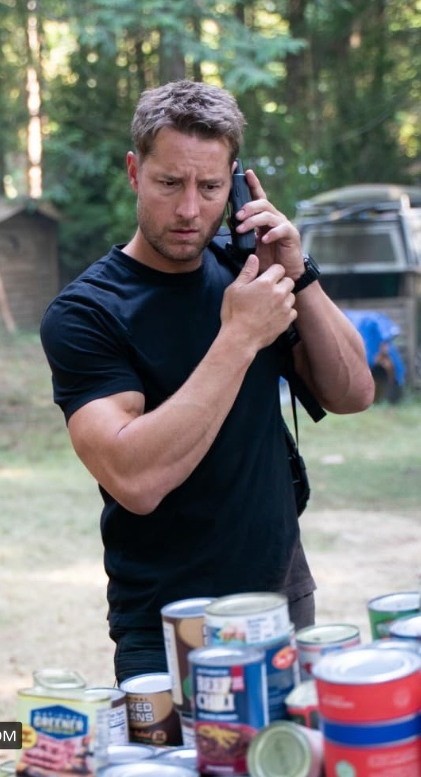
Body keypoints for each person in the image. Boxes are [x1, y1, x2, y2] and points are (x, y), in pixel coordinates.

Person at [40, 80, 374, 683]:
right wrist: (240, 336)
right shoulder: (87, 312)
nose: (190, 209)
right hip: (168, 623)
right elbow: (135, 479)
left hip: (282, 599)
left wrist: (298, 273)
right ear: (135, 171)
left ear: (237, 183)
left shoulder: (249, 272)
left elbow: (353, 393)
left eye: (211, 187)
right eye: (170, 183)